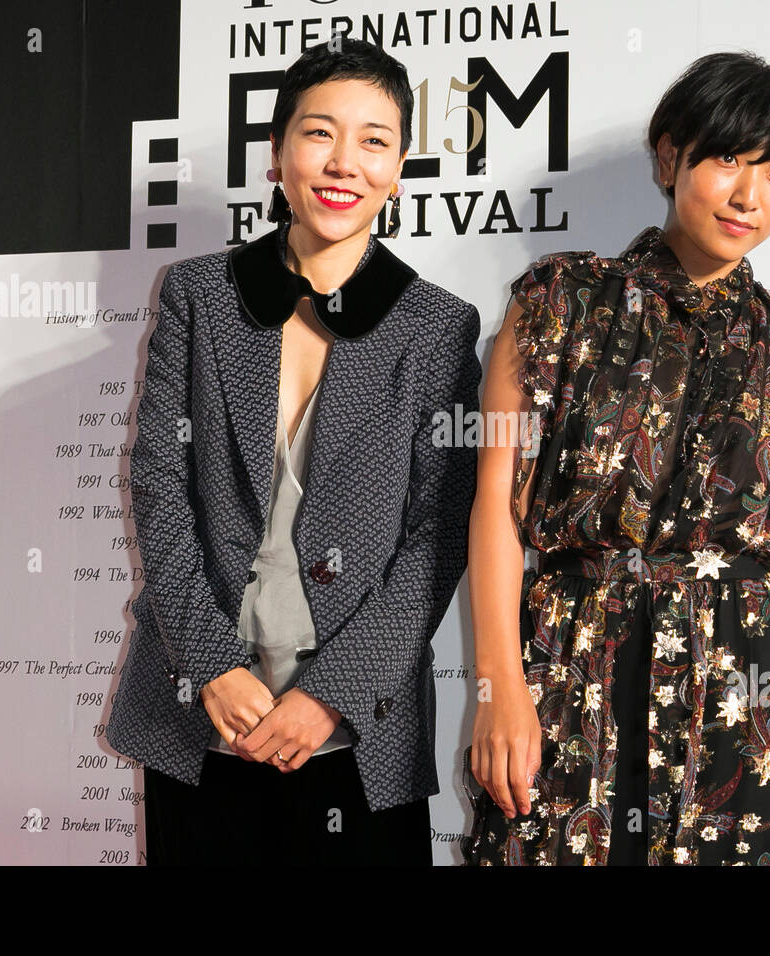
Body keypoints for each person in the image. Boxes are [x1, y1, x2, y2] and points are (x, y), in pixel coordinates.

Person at [461, 51, 770, 865]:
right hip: (578, 675)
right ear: (669, 155)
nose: (752, 196)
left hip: (751, 707)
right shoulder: (557, 305)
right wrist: (500, 688)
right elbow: (499, 510)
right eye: (728, 160)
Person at [106, 36, 482, 865]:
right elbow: (160, 485)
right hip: (199, 718)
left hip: (358, 731)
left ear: (400, 165)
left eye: (374, 140)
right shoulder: (201, 294)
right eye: (318, 133)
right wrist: (211, 665)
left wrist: (328, 697)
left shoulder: (438, 327)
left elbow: (439, 536)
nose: (344, 161)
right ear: (276, 154)